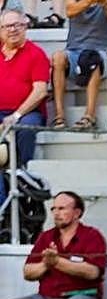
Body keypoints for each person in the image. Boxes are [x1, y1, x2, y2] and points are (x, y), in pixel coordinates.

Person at [2, 190, 106, 299]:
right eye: (53, 209)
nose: (56, 213)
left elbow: (92, 272)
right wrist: (46, 263)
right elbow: (28, 272)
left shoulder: (92, 236)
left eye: (62, 209)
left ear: (77, 213)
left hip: (82, 298)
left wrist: (57, 262)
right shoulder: (46, 237)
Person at [50, 0, 107, 131]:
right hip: (74, 50)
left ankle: (90, 116)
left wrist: (105, 3)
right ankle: (59, 116)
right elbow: (70, 11)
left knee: (91, 58)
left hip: (102, 51)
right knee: (58, 57)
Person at [0, 10, 48, 181]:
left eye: (17, 25)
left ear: (25, 26)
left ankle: (21, 175)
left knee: (25, 128)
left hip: (27, 113)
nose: (12, 30)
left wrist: (16, 115)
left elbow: (40, 91)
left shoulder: (36, 54)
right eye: (7, 26)